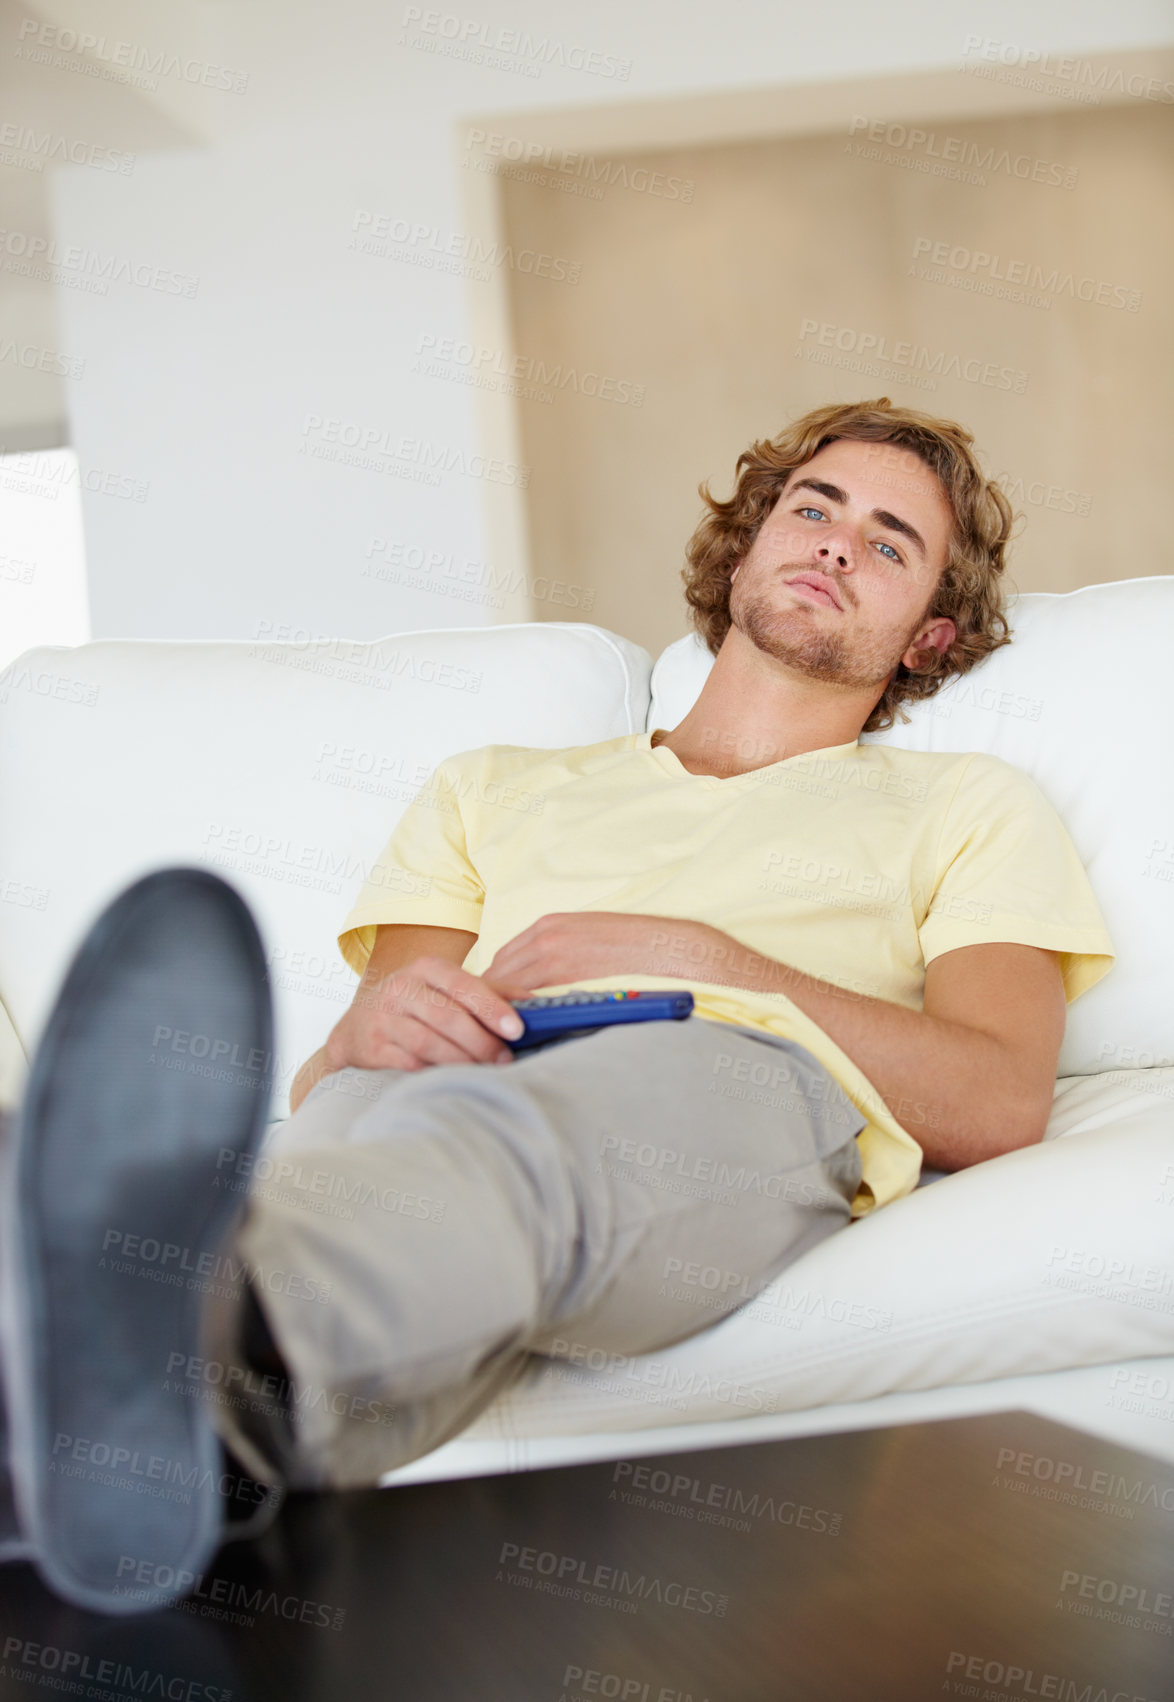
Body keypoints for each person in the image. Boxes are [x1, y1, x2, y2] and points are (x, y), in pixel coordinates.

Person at [0, 398, 1115, 1614]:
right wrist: (357, 1036)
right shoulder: (489, 787)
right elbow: (342, 1067)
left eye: (890, 544)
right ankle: (182, 1426)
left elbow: (1000, 1097)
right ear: (744, 549)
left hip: (728, 1071)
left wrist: (710, 957)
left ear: (930, 638)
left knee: (502, 1150)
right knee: (365, 1133)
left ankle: (148, 1350)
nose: (839, 543)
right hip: (448, 1076)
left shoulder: (970, 806)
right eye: (813, 509)